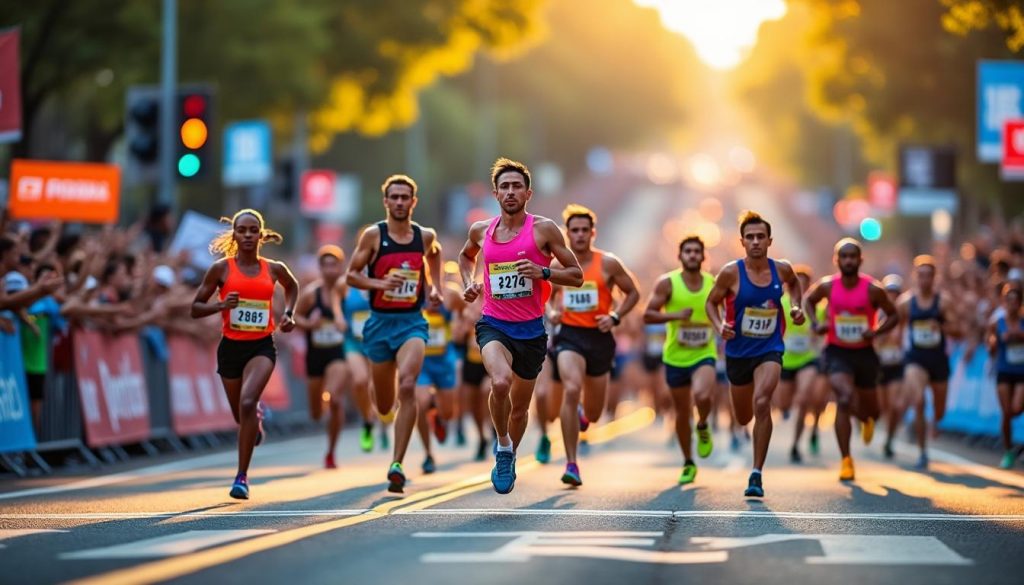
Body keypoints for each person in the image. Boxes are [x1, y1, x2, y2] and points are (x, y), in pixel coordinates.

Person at [458, 157, 583, 494]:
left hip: (531, 330)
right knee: (500, 383)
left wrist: (543, 272)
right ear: (495, 194)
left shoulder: (544, 230)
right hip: (493, 324)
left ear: (528, 193)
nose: (510, 192)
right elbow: (466, 256)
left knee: (519, 408)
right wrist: (468, 282)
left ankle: (511, 447)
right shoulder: (481, 230)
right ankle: (502, 447)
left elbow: (576, 275)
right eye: (504, 187)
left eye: (516, 186)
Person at [190, 209, 299, 499]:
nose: (248, 235)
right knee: (242, 415)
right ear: (235, 235)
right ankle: (254, 422)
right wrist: (220, 306)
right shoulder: (221, 270)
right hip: (230, 349)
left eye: (253, 230)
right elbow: (195, 308)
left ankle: (241, 477)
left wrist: (289, 314)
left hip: (262, 345)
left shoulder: (274, 268)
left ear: (261, 235)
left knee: (248, 401)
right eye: (243, 230)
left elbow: (292, 286)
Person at [346, 174, 443, 493]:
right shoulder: (374, 236)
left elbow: (434, 254)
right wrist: (378, 284)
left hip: (412, 322)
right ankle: (381, 418)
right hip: (379, 323)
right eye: (394, 197)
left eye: (406, 197)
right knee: (386, 404)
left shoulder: (424, 236)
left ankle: (397, 463)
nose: (400, 202)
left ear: (413, 202)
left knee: (408, 384)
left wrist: (435, 289)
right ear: (385, 201)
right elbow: (352, 275)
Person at [705, 211, 805, 498]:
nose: (756, 242)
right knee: (743, 414)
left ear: (770, 240)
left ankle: (756, 472)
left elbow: (795, 285)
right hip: (737, 352)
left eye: (761, 236)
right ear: (742, 242)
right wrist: (719, 324)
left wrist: (796, 306)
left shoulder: (782, 270)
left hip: (769, 348)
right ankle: (745, 432)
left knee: (762, 403)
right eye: (750, 237)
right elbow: (711, 304)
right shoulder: (730, 273)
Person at [547, 204, 640, 486]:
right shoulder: (557, 266)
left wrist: (615, 317)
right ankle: (571, 463)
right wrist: (551, 314)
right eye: (573, 230)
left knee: (594, 413)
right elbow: (546, 299)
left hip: (599, 338)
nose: (579, 235)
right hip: (569, 336)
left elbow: (633, 292)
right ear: (566, 233)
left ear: (593, 233)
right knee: (571, 388)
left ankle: (583, 415)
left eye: (584, 230)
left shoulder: (608, 263)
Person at [804, 239, 898, 481]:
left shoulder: (873, 289)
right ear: (836, 260)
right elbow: (808, 301)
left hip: (865, 353)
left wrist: (876, 331)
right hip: (837, 351)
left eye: (852, 256)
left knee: (873, 411)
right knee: (843, 398)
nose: (848, 260)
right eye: (843, 256)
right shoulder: (827, 286)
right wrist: (816, 323)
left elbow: (894, 315)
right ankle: (846, 460)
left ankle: (867, 419)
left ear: (860, 260)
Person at [644, 235, 716, 485]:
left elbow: (726, 310)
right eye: (688, 251)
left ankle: (704, 424)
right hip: (675, 356)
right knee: (682, 413)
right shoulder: (668, 284)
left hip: (704, 353)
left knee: (703, 395)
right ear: (680, 256)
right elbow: (648, 315)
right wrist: (674, 315)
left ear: (703, 256)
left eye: (697, 251)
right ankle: (688, 462)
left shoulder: (713, 283)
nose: (693, 255)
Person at [294, 245, 362, 470]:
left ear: (341, 267)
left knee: (334, 398)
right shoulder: (311, 294)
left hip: (340, 352)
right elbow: (296, 318)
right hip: (316, 353)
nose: (330, 269)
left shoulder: (349, 292)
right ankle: (321, 407)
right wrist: (309, 324)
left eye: (334, 265)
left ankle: (331, 452)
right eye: (326, 265)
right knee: (315, 412)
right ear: (320, 268)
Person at [899, 255, 959, 469]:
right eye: (921, 275)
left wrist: (941, 327)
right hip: (915, 358)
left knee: (939, 410)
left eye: (928, 276)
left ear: (934, 278)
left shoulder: (944, 301)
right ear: (915, 276)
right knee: (919, 402)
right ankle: (923, 452)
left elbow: (959, 331)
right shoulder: (906, 302)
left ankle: (936, 421)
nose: (924, 280)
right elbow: (896, 325)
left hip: (938, 360)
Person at [414, 285, 463, 473]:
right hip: (422, 361)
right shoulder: (413, 291)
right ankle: (428, 454)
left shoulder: (450, 294)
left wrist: (458, 322)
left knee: (449, 413)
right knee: (421, 403)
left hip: (444, 362)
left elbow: (463, 308)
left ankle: (439, 416)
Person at [777, 265, 821, 464]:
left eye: (805, 283)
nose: (801, 287)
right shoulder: (780, 304)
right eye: (798, 282)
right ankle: (785, 408)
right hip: (785, 359)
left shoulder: (815, 307)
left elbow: (823, 327)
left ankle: (796, 444)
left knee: (803, 399)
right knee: (782, 403)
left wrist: (819, 334)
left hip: (808, 358)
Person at [988, 282, 1024, 469]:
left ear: (1020, 303)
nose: (1012, 304)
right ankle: (1009, 450)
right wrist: (995, 342)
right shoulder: (997, 322)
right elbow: (990, 343)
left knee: (1017, 408)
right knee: (1007, 412)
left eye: (1015, 300)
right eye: (1008, 300)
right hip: (1003, 370)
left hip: (1021, 372)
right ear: (1004, 302)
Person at [878, 274, 907, 459]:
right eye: (889, 292)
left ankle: (889, 438)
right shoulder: (878, 313)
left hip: (898, 363)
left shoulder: (905, 314)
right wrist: (886, 332)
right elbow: (876, 340)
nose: (893, 296)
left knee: (896, 405)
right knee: (884, 407)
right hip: (881, 364)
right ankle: (880, 429)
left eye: (896, 292)